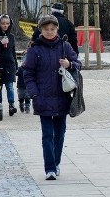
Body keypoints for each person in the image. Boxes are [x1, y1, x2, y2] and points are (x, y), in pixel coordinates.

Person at [22, 14, 81, 180]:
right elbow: (28, 73)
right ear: (41, 30)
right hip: (43, 98)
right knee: (47, 134)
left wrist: (70, 64)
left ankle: (56, 162)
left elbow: (78, 65)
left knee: (60, 133)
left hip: (63, 97)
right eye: (46, 29)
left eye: (52, 29)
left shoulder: (65, 46)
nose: (49, 32)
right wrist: (34, 94)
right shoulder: (35, 49)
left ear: (57, 29)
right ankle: (50, 168)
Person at [0, 14, 19, 116]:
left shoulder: (12, 37)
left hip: (10, 64)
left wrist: (16, 66)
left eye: (7, 24)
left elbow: (13, 51)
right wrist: (0, 43)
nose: (5, 26)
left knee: (10, 86)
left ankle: (11, 105)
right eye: (3, 23)